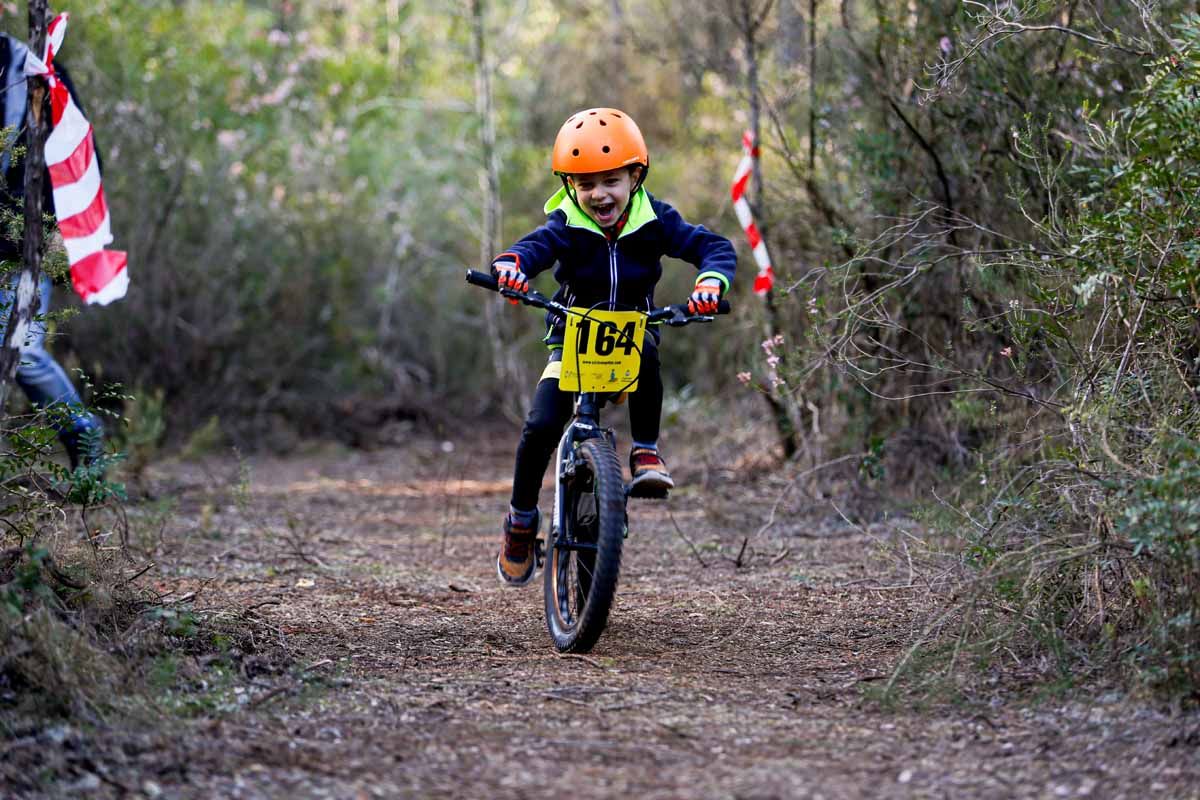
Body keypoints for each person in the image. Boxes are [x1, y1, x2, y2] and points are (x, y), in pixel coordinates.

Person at [491, 107, 736, 586]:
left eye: (610, 180)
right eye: (585, 184)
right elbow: (531, 249)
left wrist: (709, 284)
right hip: (573, 337)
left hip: (629, 334)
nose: (598, 194)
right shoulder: (565, 223)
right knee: (541, 425)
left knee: (645, 347)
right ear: (570, 187)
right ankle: (521, 522)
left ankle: (646, 451)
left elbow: (714, 248)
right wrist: (512, 266)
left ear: (635, 175)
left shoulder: (657, 220)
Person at [0, 32, 103, 471]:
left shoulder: (37, 70)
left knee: (19, 351)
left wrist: (64, 228)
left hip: (26, 241)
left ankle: (83, 432)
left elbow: (79, 152)